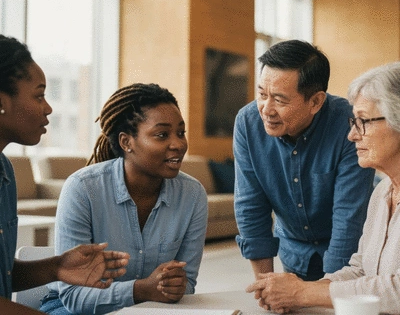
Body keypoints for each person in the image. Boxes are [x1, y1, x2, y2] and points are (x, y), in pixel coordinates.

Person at [40, 82, 208, 314]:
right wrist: (140, 290)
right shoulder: (83, 189)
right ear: (126, 142)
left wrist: (174, 286)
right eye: (162, 135)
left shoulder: (192, 195)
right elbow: (73, 296)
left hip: (151, 308)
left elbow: (187, 285)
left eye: (181, 133)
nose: (178, 144)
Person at [246, 61, 400, 314]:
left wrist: (304, 292)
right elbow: (361, 269)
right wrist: (299, 291)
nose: (352, 135)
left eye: (363, 121)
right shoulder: (382, 192)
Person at [0, 35, 130, 315]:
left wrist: (58, 267)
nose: (48, 108)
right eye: (39, 95)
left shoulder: (4, 172)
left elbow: (3, 275)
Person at [234, 40, 375, 282]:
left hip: (350, 259)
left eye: (279, 100)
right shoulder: (248, 123)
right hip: (294, 253)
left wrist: (324, 290)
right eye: (261, 94)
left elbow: (348, 217)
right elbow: (250, 206)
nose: (266, 109)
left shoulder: (350, 125)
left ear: (315, 102)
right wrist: (266, 285)